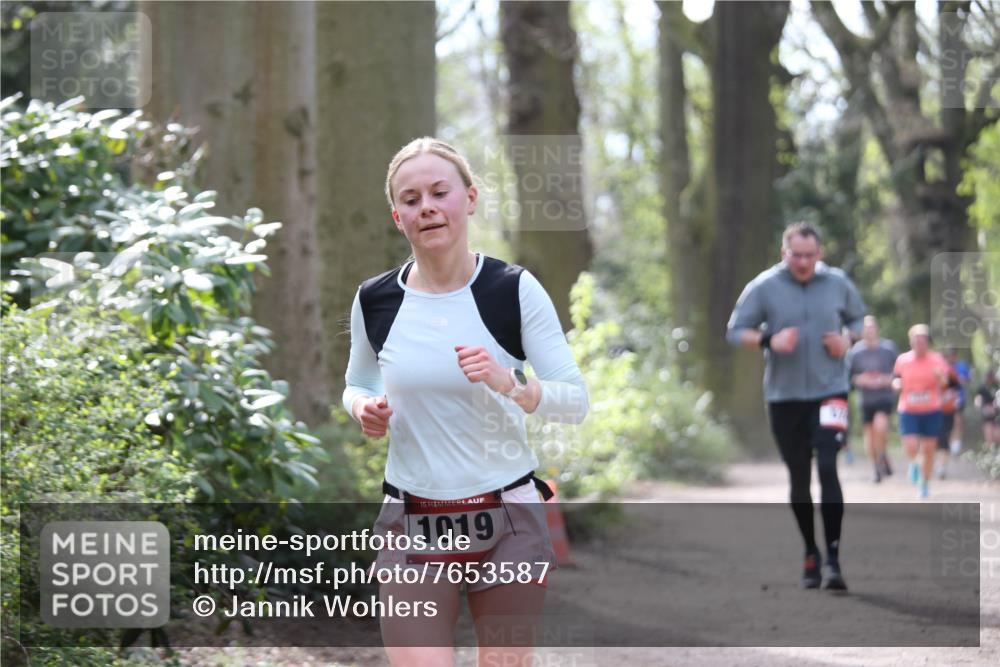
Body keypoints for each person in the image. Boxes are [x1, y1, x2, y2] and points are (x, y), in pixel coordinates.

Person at [343, 137, 589, 666]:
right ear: (397, 217)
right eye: (411, 199)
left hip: (508, 520)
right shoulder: (376, 300)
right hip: (412, 518)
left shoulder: (512, 289)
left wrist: (513, 385)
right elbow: (357, 383)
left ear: (470, 199)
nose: (426, 207)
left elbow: (575, 401)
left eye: (439, 192)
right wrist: (363, 409)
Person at [727, 222, 865, 592]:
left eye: (810, 255)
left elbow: (858, 320)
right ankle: (810, 551)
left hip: (830, 391)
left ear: (819, 254)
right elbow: (736, 330)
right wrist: (770, 340)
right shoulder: (764, 286)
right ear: (784, 253)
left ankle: (834, 558)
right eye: (796, 255)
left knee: (827, 465)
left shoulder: (837, 283)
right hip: (784, 398)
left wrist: (846, 340)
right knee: (799, 477)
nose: (803, 262)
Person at [891, 324, 949, 499]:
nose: (920, 344)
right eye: (916, 341)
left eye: (923, 341)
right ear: (911, 342)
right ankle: (915, 463)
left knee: (929, 449)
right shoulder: (903, 360)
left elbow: (945, 384)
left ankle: (924, 484)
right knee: (910, 444)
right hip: (908, 408)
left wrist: (941, 378)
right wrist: (896, 385)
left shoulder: (937, 359)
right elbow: (895, 379)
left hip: (931, 408)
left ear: (927, 342)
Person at [848, 316, 898, 483]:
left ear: (877, 329)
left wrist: (887, 380)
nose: (869, 331)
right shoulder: (855, 352)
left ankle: (883, 454)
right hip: (865, 400)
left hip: (884, 397)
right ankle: (876, 467)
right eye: (865, 328)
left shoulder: (888, 348)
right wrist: (860, 380)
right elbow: (850, 378)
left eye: (871, 327)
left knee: (881, 426)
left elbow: (898, 373)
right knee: (869, 437)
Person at [944, 348, 971, 455]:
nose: (952, 357)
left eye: (953, 355)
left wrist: (959, 379)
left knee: (957, 421)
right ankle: (949, 443)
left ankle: (956, 444)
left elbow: (968, 379)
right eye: (950, 355)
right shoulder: (944, 366)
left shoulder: (961, 366)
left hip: (959, 398)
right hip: (946, 400)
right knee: (948, 423)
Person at [975, 370, 999, 449]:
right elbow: (978, 398)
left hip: (996, 412)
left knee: (996, 434)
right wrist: (979, 405)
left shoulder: (996, 387)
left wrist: (994, 406)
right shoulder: (982, 388)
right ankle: (990, 447)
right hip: (986, 411)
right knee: (988, 430)